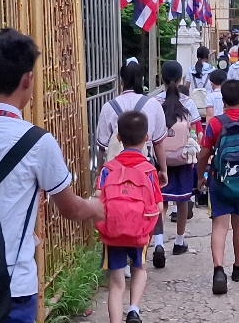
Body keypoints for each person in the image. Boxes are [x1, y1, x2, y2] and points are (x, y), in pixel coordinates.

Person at [0, 30, 105, 323]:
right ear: (27, 80)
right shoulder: (37, 142)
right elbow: (69, 208)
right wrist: (96, 206)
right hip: (12, 285)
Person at [196, 78, 239, 294]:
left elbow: (204, 153)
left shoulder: (215, 123)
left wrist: (201, 176)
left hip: (220, 180)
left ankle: (218, 270)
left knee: (220, 226)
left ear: (222, 100)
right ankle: (238, 267)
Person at [97, 110, 162, 323]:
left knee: (116, 283)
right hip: (139, 230)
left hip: (113, 232)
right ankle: (134, 310)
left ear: (118, 138)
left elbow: (99, 199)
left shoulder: (108, 169)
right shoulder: (149, 170)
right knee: (139, 268)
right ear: (146, 138)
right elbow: (158, 206)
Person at [153, 61, 201, 264]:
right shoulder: (188, 103)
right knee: (182, 201)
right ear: (181, 79)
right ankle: (179, 242)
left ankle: (158, 243)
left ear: (161, 79)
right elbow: (198, 131)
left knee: (160, 202)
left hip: (160, 159)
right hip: (182, 161)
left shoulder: (154, 102)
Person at [96, 62, 169, 178]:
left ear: (121, 82)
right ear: (141, 80)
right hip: (144, 167)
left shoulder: (108, 107)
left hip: (115, 171)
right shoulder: (153, 104)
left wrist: (99, 171)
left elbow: (102, 146)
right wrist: (163, 171)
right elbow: (158, 144)